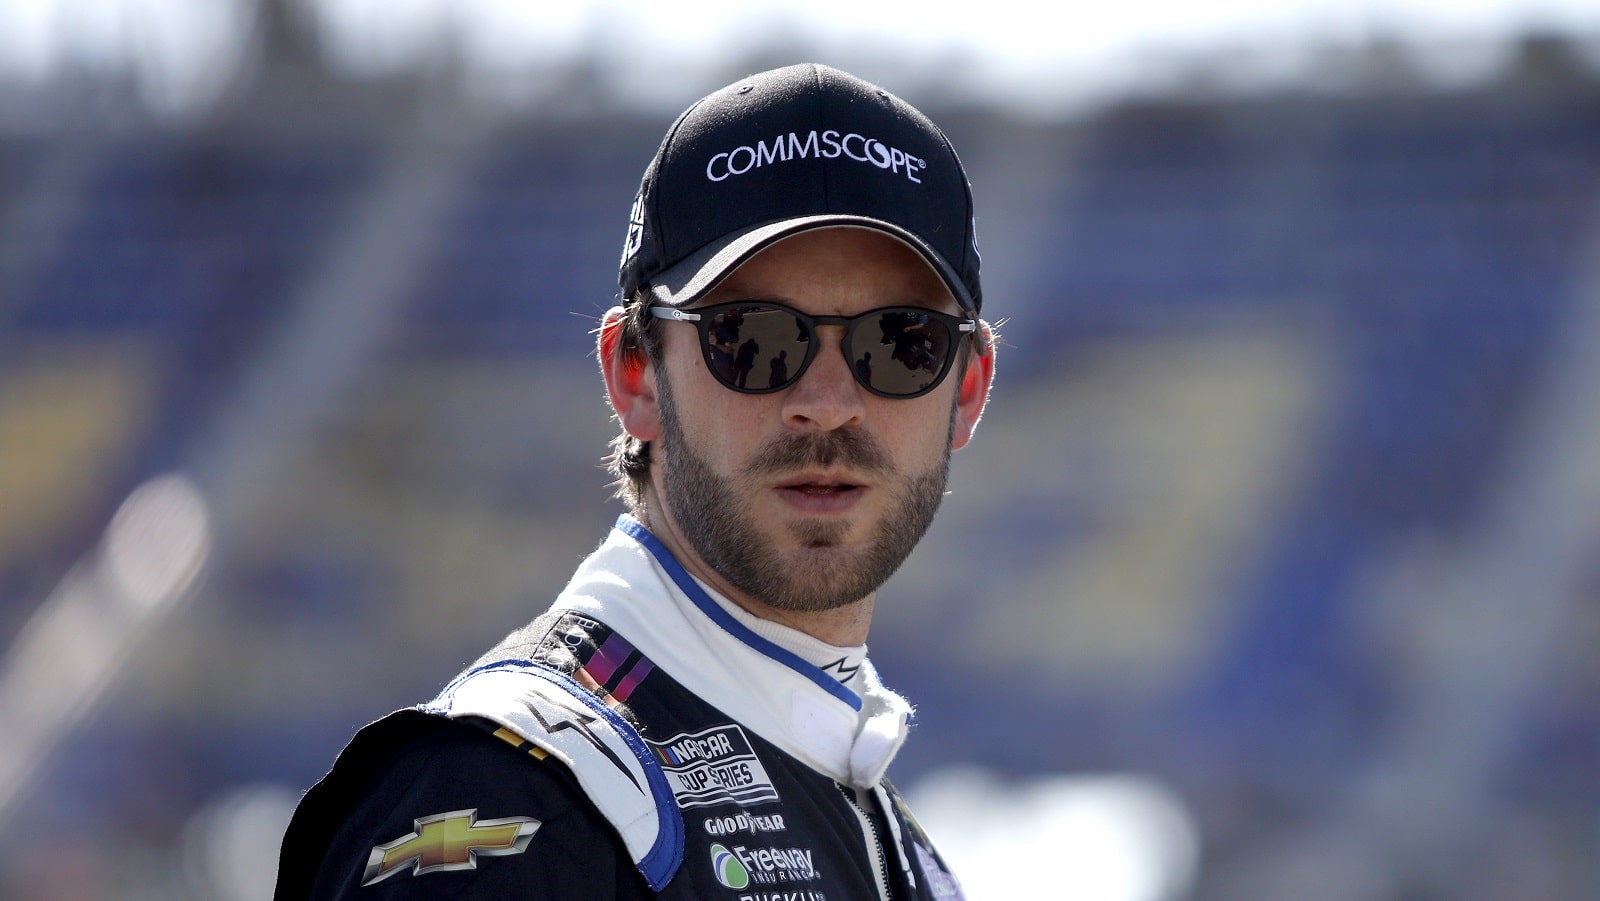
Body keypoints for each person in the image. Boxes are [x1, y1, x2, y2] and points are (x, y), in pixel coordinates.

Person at [275, 61, 995, 899]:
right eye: (754, 338)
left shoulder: (893, 833)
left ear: (968, 389)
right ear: (634, 374)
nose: (828, 404)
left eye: (899, 341)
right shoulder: (505, 792)